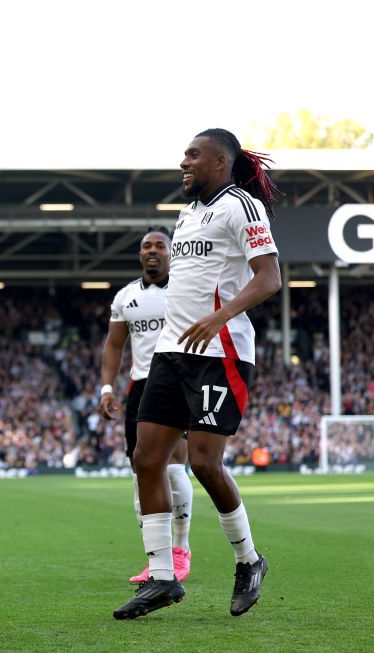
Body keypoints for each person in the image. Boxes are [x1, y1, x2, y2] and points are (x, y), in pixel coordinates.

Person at [114, 129, 282, 620]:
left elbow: (269, 276)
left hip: (219, 351)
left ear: (220, 161)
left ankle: (249, 560)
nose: (183, 162)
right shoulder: (187, 215)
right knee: (147, 459)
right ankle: (163, 577)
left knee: (206, 464)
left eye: (193, 154)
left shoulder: (242, 206)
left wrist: (220, 317)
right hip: (171, 352)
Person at [99, 228, 194, 583]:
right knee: (142, 473)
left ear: (172, 252)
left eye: (159, 246)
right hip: (141, 387)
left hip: (179, 381)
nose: (152, 251)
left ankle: (180, 549)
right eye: (146, 246)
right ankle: (156, 557)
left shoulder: (185, 290)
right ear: (140, 255)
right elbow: (113, 346)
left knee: (172, 469)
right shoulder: (126, 297)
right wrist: (106, 388)